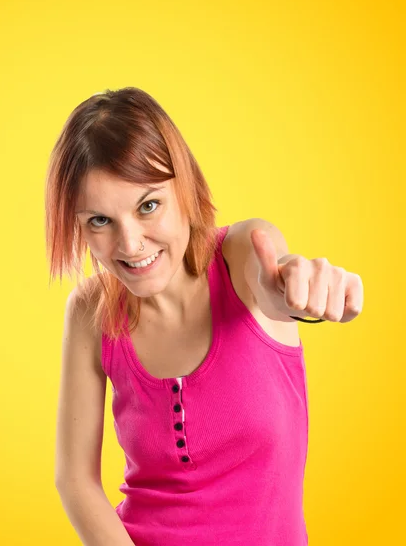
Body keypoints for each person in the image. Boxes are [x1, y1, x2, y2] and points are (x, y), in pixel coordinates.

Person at [45, 87, 360, 545]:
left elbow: (273, 286)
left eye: (148, 206)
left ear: (186, 189)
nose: (130, 244)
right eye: (99, 221)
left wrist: (299, 290)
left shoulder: (241, 254)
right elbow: (75, 481)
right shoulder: (91, 313)